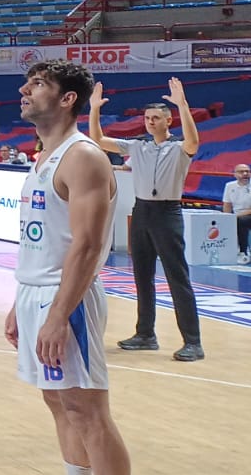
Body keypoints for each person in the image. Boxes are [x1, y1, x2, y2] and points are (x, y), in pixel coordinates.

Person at [7, 60, 130, 475]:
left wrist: (59, 314)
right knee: (59, 403)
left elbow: (87, 246)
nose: (24, 90)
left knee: (87, 410)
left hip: (67, 298)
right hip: (36, 292)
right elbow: (44, 240)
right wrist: (18, 301)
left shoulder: (83, 157)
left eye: (38, 84)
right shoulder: (44, 156)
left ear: (67, 98)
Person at [87, 78, 203, 362]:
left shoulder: (179, 148)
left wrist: (183, 105)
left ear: (168, 121)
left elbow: (193, 141)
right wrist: (94, 109)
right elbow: (98, 140)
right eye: (147, 118)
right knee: (141, 275)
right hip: (141, 212)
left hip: (167, 213)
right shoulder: (138, 145)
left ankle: (193, 342)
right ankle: (145, 334)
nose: (150, 122)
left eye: (156, 118)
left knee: (177, 277)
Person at [222, 164, 251, 265]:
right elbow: (227, 205)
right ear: (234, 174)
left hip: (245, 215)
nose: (245, 174)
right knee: (223, 221)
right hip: (236, 215)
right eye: (241, 171)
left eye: (247, 171)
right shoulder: (229, 186)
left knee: (241, 221)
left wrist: (235, 217)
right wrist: (226, 218)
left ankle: (243, 252)